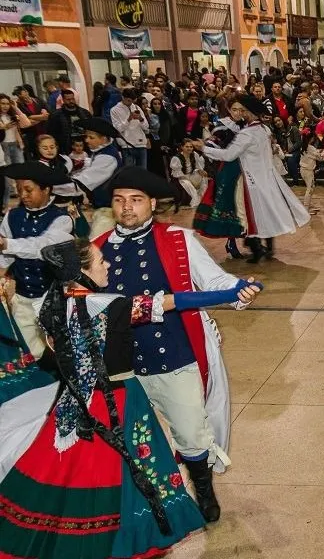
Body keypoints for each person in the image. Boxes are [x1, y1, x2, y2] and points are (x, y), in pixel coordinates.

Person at [0, 239, 220, 559]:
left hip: (76, 399)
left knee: (77, 472)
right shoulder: (112, 304)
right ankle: (121, 539)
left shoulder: (53, 304)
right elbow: (170, 302)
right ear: (82, 272)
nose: (108, 266)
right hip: (117, 400)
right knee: (127, 471)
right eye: (100, 262)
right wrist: (228, 294)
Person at [91, 167, 263, 522]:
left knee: (191, 430)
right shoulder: (99, 247)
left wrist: (237, 290)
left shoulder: (177, 238)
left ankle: (202, 489)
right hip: (120, 363)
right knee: (128, 437)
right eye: (120, 200)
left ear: (152, 203)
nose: (127, 208)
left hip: (172, 352)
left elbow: (213, 279)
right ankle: (139, 501)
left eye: (136, 200)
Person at [194, 95, 310, 263]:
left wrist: (204, 148)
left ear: (248, 112)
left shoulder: (247, 134)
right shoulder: (264, 129)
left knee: (248, 216)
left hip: (251, 181)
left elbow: (228, 155)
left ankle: (257, 251)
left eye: (242, 110)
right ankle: (266, 249)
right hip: (265, 177)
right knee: (265, 212)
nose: (240, 113)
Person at [0, 162, 75, 360]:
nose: (22, 195)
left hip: (52, 301)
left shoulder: (62, 219)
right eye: (18, 190)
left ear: (46, 189)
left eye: (28, 189)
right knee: (25, 354)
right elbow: (4, 257)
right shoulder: (12, 216)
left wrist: (7, 244)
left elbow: (42, 247)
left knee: (56, 354)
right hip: (23, 298)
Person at [192, 111, 246, 259]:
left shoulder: (248, 125)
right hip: (230, 168)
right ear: (229, 109)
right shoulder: (223, 126)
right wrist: (205, 145)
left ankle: (252, 241)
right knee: (230, 204)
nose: (237, 112)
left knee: (248, 205)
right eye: (234, 109)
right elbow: (213, 141)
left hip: (248, 168)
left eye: (240, 109)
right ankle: (232, 242)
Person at [170, 139, 208, 209]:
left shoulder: (194, 155)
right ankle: (195, 202)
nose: (189, 148)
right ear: (182, 147)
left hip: (191, 174)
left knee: (204, 178)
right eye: (187, 147)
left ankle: (202, 198)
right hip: (180, 177)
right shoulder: (176, 158)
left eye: (191, 147)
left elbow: (196, 167)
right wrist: (188, 178)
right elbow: (177, 174)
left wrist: (200, 170)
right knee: (187, 183)